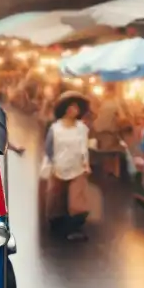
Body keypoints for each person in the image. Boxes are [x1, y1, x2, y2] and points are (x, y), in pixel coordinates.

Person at [42, 92, 92, 241]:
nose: (73, 110)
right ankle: (57, 225)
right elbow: (49, 149)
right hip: (58, 167)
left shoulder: (81, 128)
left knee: (77, 200)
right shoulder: (55, 128)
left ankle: (74, 229)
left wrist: (86, 163)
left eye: (76, 107)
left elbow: (84, 147)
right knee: (56, 199)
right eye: (70, 107)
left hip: (77, 168)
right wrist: (51, 165)